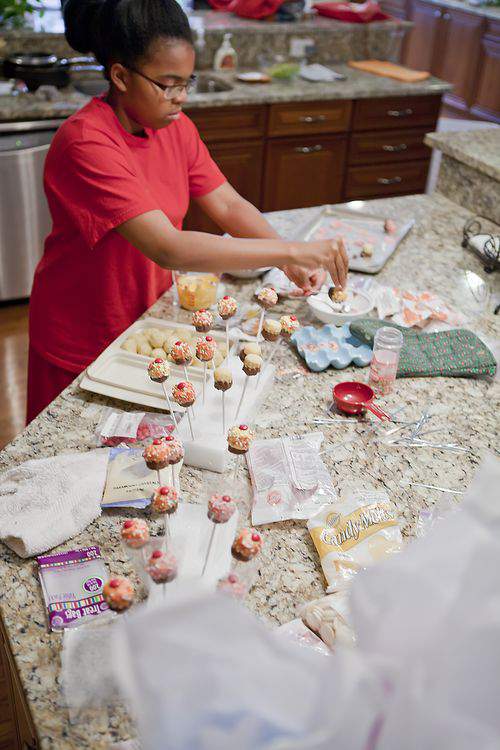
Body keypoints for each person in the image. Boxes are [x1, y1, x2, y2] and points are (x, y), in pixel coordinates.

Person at [27, 0, 348, 423]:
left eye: (187, 82)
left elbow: (227, 204)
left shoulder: (175, 128)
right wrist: (290, 251)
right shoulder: (86, 142)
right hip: (82, 335)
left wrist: (287, 261)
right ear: (121, 76)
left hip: (146, 323)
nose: (181, 97)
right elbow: (170, 248)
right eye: (168, 84)